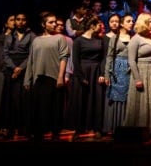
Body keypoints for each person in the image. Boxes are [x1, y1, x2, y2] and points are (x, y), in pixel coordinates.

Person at [23, 12, 70, 142]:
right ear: (43, 25)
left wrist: (61, 76)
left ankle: (55, 133)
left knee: (54, 107)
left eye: (55, 22)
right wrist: (28, 79)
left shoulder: (60, 38)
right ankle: (39, 134)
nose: (54, 24)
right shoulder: (36, 40)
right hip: (39, 77)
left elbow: (64, 58)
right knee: (38, 107)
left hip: (53, 77)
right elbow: (31, 60)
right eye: (51, 22)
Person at [65, 15, 108, 140]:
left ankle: (97, 128)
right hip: (82, 71)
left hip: (96, 71)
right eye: (98, 25)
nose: (100, 27)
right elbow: (75, 60)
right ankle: (78, 129)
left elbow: (103, 58)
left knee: (96, 100)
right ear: (91, 26)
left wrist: (101, 73)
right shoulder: (79, 41)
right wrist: (80, 76)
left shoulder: (100, 40)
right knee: (81, 100)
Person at [126, 12, 151, 137]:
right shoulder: (136, 39)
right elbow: (131, 60)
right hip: (141, 71)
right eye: (150, 21)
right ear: (144, 23)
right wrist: (137, 78)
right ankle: (138, 130)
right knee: (141, 101)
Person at [102, 13, 134, 136]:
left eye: (132, 21)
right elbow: (109, 57)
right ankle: (114, 126)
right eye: (129, 21)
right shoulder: (114, 38)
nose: (132, 23)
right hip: (117, 69)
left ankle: (125, 125)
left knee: (127, 97)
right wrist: (106, 74)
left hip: (129, 69)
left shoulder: (133, 37)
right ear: (122, 23)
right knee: (115, 97)